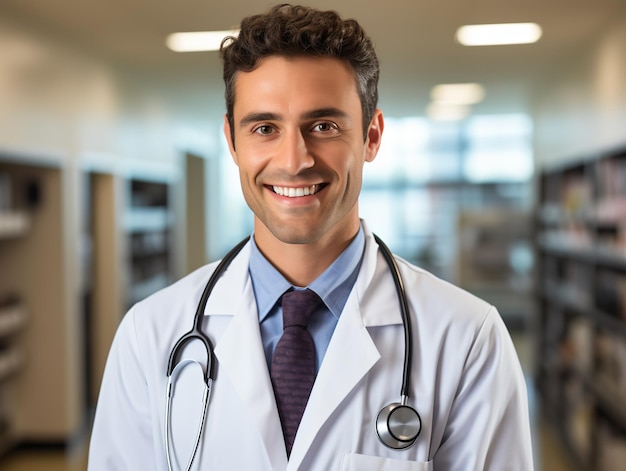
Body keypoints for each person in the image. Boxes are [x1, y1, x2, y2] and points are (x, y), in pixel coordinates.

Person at [88, 4, 534, 470]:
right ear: (232, 142)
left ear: (372, 136)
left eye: (323, 126)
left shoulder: (466, 338)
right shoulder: (150, 334)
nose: (294, 159)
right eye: (264, 128)